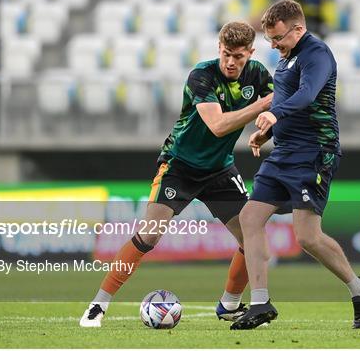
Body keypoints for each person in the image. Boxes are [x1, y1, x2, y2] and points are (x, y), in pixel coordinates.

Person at [80, 21, 274, 327]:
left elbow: (277, 111)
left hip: (220, 169)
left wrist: (267, 128)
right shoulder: (202, 75)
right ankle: (98, 306)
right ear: (218, 49)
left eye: (238, 56)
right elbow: (219, 125)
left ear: (250, 52)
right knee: (149, 235)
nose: (231, 62)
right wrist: (262, 106)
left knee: (253, 237)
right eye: (226, 54)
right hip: (179, 165)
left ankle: (230, 304)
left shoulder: (260, 75)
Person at [230, 0, 360, 331]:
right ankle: (260, 302)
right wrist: (267, 132)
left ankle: (359, 288)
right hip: (283, 153)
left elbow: (308, 94)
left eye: (278, 37)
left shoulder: (316, 54)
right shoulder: (286, 59)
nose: (273, 45)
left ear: (298, 28)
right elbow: (285, 104)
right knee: (250, 217)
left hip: (314, 153)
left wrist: (274, 114)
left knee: (307, 237)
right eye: (269, 39)